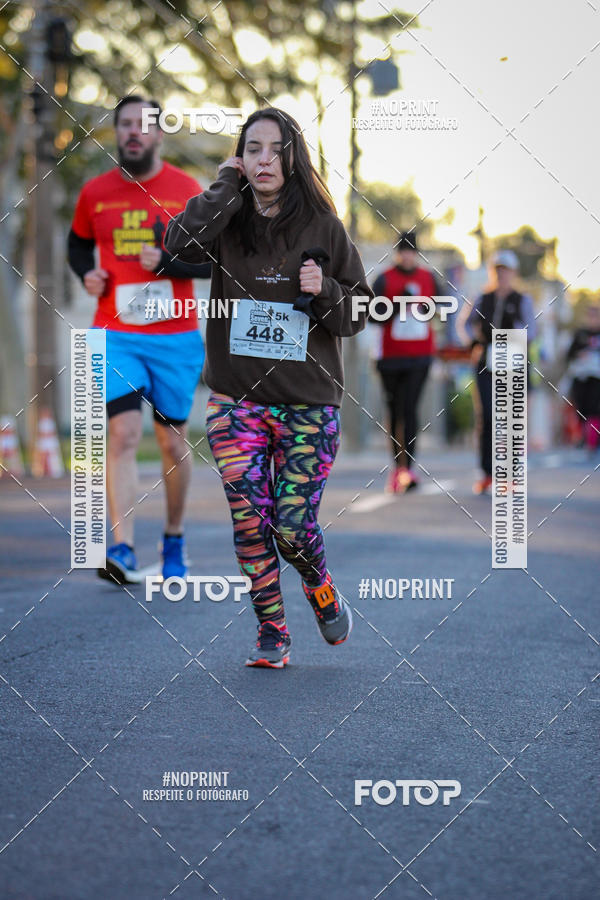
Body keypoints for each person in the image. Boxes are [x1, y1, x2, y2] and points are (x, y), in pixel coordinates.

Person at [164, 107, 372, 668]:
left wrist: (325, 288)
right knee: (251, 523)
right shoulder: (226, 217)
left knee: (291, 528)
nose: (262, 159)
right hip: (237, 402)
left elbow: (359, 313)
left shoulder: (324, 227)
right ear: (241, 157)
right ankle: (272, 631)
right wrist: (221, 185)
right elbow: (176, 245)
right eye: (251, 148)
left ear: (291, 156)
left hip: (308, 404)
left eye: (273, 149)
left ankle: (319, 584)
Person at [68, 95, 210, 584]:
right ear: (118, 133)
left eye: (142, 125)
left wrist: (168, 264)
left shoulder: (187, 192)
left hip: (175, 336)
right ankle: (122, 546)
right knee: (123, 434)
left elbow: (214, 263)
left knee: (171, 442)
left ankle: (173, 537)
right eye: (124, 124)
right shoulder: (95, 193)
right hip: (116, 334)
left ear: (158, 134)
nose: (133, 132)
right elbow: (77, 242)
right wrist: (86, 272)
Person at [370, 232, 442, 493]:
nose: (407, 255)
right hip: (389, 357)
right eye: (403, 251)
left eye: (411, 251)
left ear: (417, 254)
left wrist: (422, 307)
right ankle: (396, 468)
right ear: (396, 253)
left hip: (420, 356)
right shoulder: (384, 279)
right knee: (395, 411)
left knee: (410, 409)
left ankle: (408, 469)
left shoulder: (428, 278)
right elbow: (370, 315)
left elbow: (443, 309)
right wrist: (397, 304)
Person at [462, 250, 536, 493]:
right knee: (487, 417)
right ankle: (486, 473)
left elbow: (532, 331)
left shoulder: (522, 300)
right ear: (493, 272)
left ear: (513, 273)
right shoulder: (482, 298)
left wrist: (515, 338)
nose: (502, 275)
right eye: (498, 270)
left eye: (506, 270)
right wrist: (474, 341)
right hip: (486, 362)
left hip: (513, 361)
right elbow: (463, 324)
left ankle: (512, 475)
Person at [566, 302, 600, 452]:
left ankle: (592, 441)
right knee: (582, 408)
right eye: (590, 316)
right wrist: (580, 354)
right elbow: (569, 354)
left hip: (597, 377)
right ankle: (583, 438)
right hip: (581, 377)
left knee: (595, 408)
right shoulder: (580, 334)